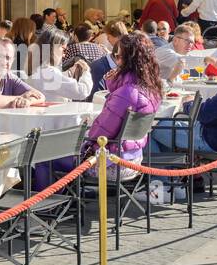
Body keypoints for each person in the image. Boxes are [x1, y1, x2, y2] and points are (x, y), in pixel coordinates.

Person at [82, 33, 162, 168]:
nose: (116, 61)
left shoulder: (126, 93)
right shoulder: (152, 89)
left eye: (118, 56)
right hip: (134, 157)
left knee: (48, 160)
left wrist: (84, 139)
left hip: (111, 162)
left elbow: (100, 132)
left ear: (129, 60)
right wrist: (114, 83)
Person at [24, 26, 92, 101]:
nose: (64, 54)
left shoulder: (36, 68)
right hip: (54, 111)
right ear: (53, 47)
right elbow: (82, 92)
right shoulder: (48, 73)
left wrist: (68, 73)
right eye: (63, 49)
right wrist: (86, 72)